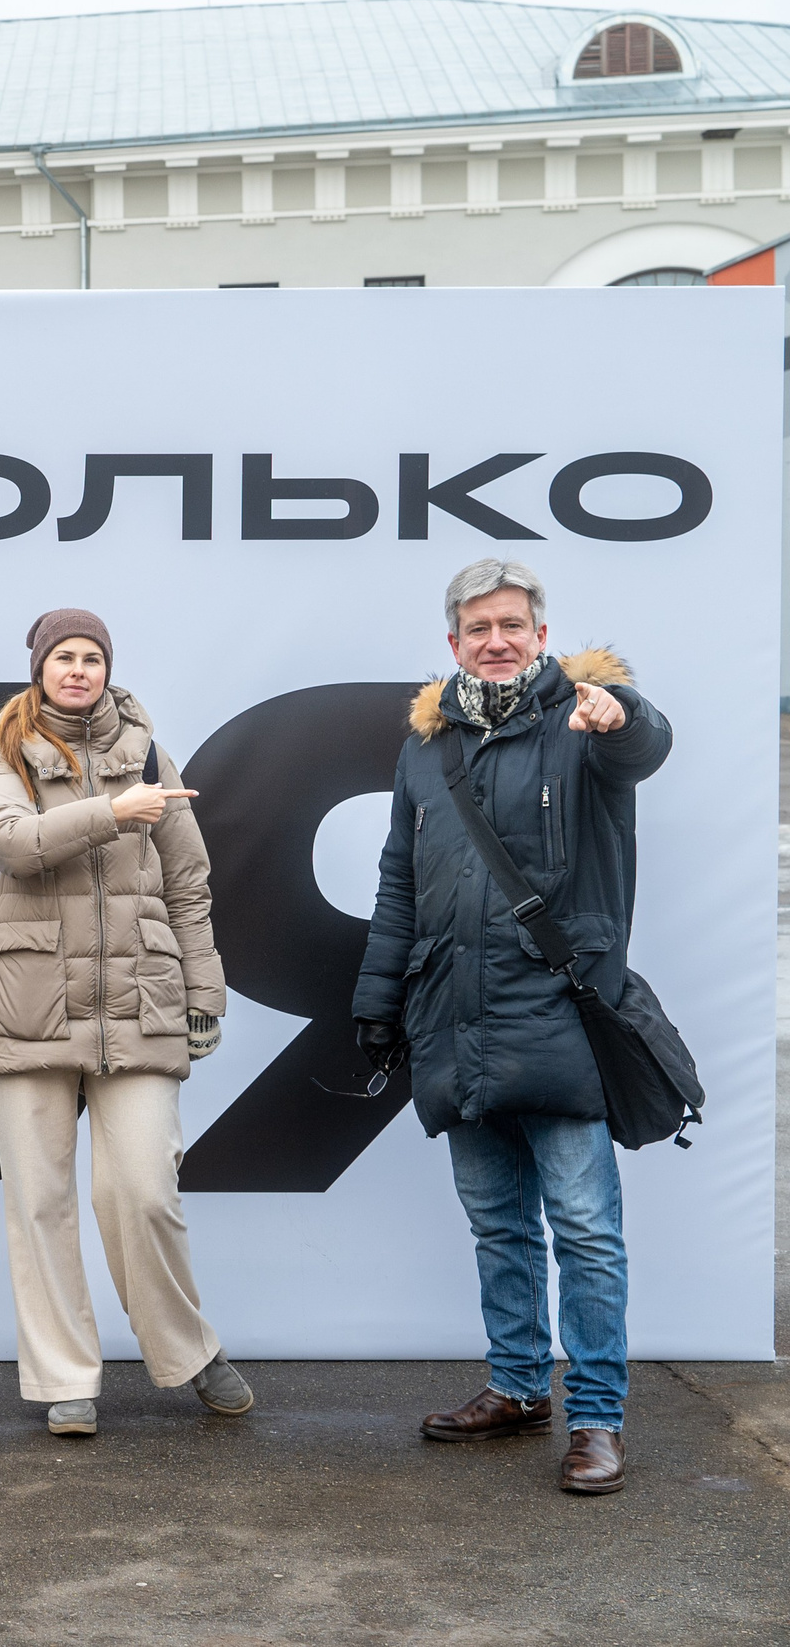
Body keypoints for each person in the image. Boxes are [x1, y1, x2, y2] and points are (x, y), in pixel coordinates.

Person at [354, 559, 671, 1495]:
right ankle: (519, 1385)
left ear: (541, 634)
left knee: (584, 1226)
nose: (497, 640)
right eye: (478, 627)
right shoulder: (426, 747)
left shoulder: (587, 714)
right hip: (454, 1015)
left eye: (513, 625)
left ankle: (597, 1417)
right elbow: (400, 880)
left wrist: (621, 714)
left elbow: (640, 743)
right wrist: (378, 999)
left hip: (561, 1012)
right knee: (497, 1223)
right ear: (454, 642)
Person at [0, 608, 249, 1438]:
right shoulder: (3, 751)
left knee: (142, 1187)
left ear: (107, 667)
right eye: (64, 657)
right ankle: (65, 1378)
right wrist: (116, 813)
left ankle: (189, 1351)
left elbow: (189, 884)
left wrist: (205, 992)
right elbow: (8, 840)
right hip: (28, 1000)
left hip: (141, 997)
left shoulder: (152, 755)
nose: (78, 669)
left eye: (92, 656)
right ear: (40, 668)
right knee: (40, 1200)